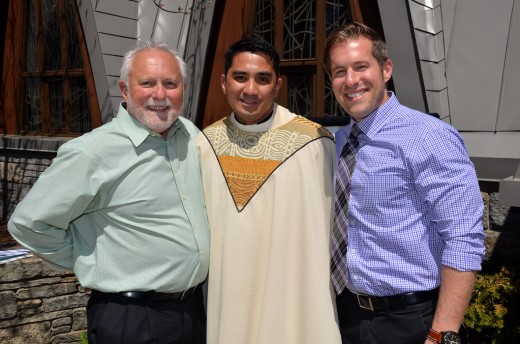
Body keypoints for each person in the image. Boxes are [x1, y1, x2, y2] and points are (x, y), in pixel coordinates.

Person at [8, 42, 210, 344]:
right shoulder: (91, 153)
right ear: (125, 90)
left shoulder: (191, 136)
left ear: (183, 89)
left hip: (192, 312)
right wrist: (87, 260)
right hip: (131, 318)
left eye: (170, 83)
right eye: (147, 83)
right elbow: (28, 224)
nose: (160, 94)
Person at [323, 22, 486, 344]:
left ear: (386, 69)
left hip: (407, 321)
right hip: (343, 314)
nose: (351, 80)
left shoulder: (429, 137)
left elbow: (463, 239)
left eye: (360, 67)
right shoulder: (337, 141)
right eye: (339, 71)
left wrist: (440, 334)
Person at [196, 37, 341, 344]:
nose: (250, 89)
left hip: (290, 304)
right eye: (240, 77)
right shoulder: (204, 144)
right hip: (227, 302)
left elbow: (327, 233)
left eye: (262, 79)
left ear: (277, 86)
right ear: (224, 82)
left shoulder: (313, 143)